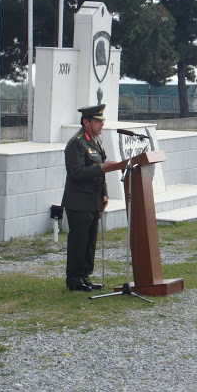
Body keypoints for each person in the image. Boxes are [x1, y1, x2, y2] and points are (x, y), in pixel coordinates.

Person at [61, 104, 117, 292]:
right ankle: (74, 279)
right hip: (79, 201)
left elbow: (101, 173)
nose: (102, 124)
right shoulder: (76, 143)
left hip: (93, 200)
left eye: (102, 121)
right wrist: (101, 167)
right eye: (98, 121)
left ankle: (85, 276)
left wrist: (104, 194)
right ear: (86, 122)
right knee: (79, 240)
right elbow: (77, 173)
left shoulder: (94, 141)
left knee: (90, 240)